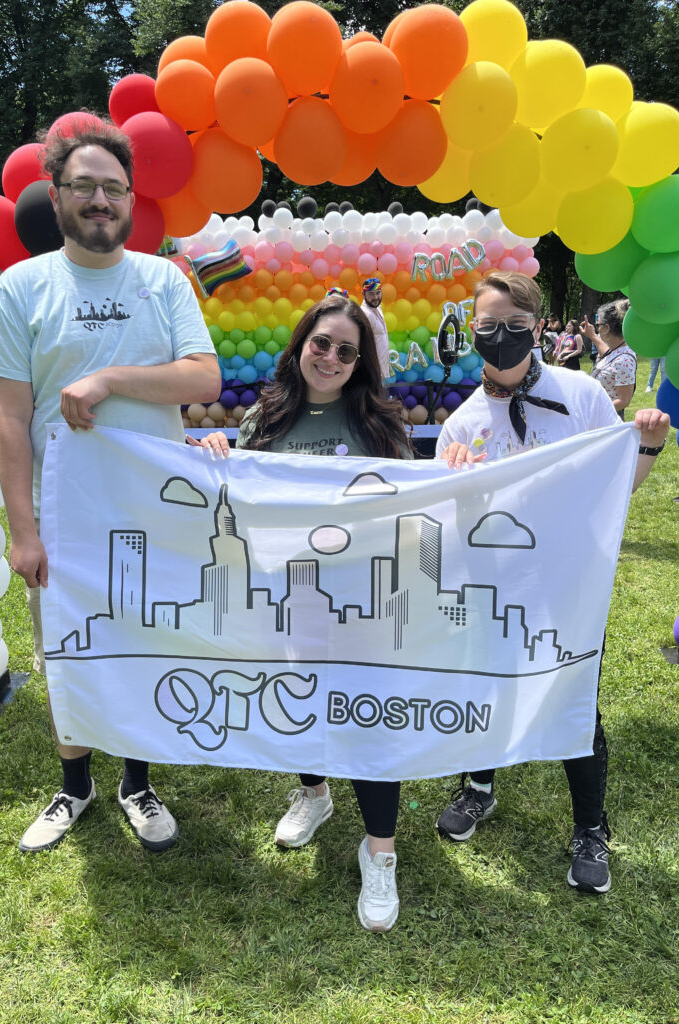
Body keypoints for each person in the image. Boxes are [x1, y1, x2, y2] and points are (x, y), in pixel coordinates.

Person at [0, 121, 220, 855]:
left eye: (113, 188)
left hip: (153, 510)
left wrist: (112, 378)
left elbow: (203, 377)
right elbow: (10, 418)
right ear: (56, 195)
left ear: (130, 198)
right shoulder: (22, 289)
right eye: (84, 186)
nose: (100, 200)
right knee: (67, 649)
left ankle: (137, 783)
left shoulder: (163, 279)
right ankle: (75, 786)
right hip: (66, 516)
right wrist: (24, 530)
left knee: (145, 641)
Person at [434, 270, 669, 894]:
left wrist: (646, 450)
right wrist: (455, 481)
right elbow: (449, 524)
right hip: (492, 582)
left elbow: (613, 490)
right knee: (489, 685)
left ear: (538, 327)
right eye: (488, 328)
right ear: (472, 331)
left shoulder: (583, 395)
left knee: (572, 697)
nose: (502, 338)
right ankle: (478, 788)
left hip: (566, 582)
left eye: (515, 326)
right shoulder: (460, 425)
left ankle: (591, 827)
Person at [189, 294, 413, 932]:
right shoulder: (264, 417)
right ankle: (314, 794)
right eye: (322, 343)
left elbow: (404, 506)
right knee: (301, 698)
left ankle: (380, 853)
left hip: (363, 605)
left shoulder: (379, 422)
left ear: (362, 360)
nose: (332, 357)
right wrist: (213, 453)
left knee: (368, 720)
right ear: (301, 344)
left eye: (348, 349)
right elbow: (237, 497)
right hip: (288, 595)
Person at [582, 300, 637, 418]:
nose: (597, 329)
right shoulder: (617, 351)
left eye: (598, 325)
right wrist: (592, 335)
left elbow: (624, 401)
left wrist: (592, 411)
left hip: (607, 419)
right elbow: (608, 354)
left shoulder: (624, 360)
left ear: (606, 327)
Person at [360, 277, 390, 381]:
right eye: (371, 294)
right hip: (371, 370)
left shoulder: (377, 307)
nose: (376, 297)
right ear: (363, 294)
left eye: (378, 293)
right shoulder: (364, 314)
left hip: (380, 370)